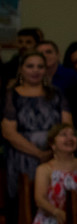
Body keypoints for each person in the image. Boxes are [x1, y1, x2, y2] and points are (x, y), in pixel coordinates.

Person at [2, 50, 72, 200]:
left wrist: (52, 151)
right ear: (21, 69)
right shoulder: (11, 95)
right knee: (23, 202)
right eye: (30, 66)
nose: (35, 70)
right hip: (21, 158)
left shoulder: (57, 94)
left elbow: (67, 126)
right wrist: (39, 154)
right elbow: (8, 132)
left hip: (54, 155)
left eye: (40, 67)